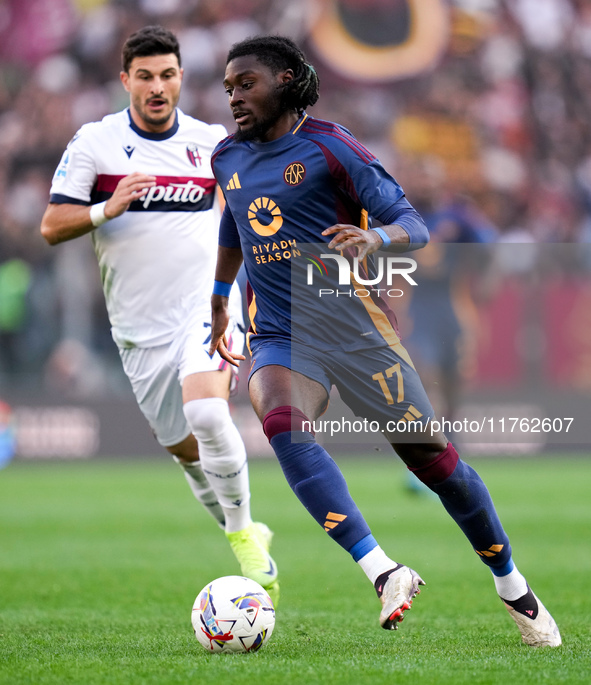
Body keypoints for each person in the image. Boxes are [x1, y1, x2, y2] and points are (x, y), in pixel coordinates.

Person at [208, 35, 560, 646]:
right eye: (229, 88)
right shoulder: (227, 157)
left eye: (247, 84)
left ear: (288, 80)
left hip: (356, 332)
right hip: (282, 335)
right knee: (283, 424)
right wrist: (218, 298)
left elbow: (414, 225)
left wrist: (377, 241)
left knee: (436, 464)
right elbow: (234, 225)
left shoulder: (332, 146)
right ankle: (384, 572)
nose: (234, 97)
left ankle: (513, 587)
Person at [40, 26, 278, 603]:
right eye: (144, 76)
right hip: (138, 330)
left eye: (167, 74)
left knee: (208, 412)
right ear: (126, 80)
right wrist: (106, 208)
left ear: (180, 78)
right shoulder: (95, 143)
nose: (156, 86)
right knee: (186, 450)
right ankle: (238, 526)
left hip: (207, 305)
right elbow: (51, 225)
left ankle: (244, 536)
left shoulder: (211, 141)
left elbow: (242, 215)